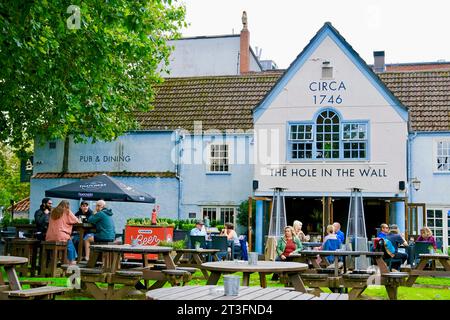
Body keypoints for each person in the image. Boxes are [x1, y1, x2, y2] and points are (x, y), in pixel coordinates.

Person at [45, 200, 79, 264]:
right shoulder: (66, 211)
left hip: (49, 237)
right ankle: (71, 261)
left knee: (69, 241)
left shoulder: (53, 211)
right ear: (67, 206)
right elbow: (75, 220)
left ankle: (63, 261)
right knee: (70, 245)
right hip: (60, 236)